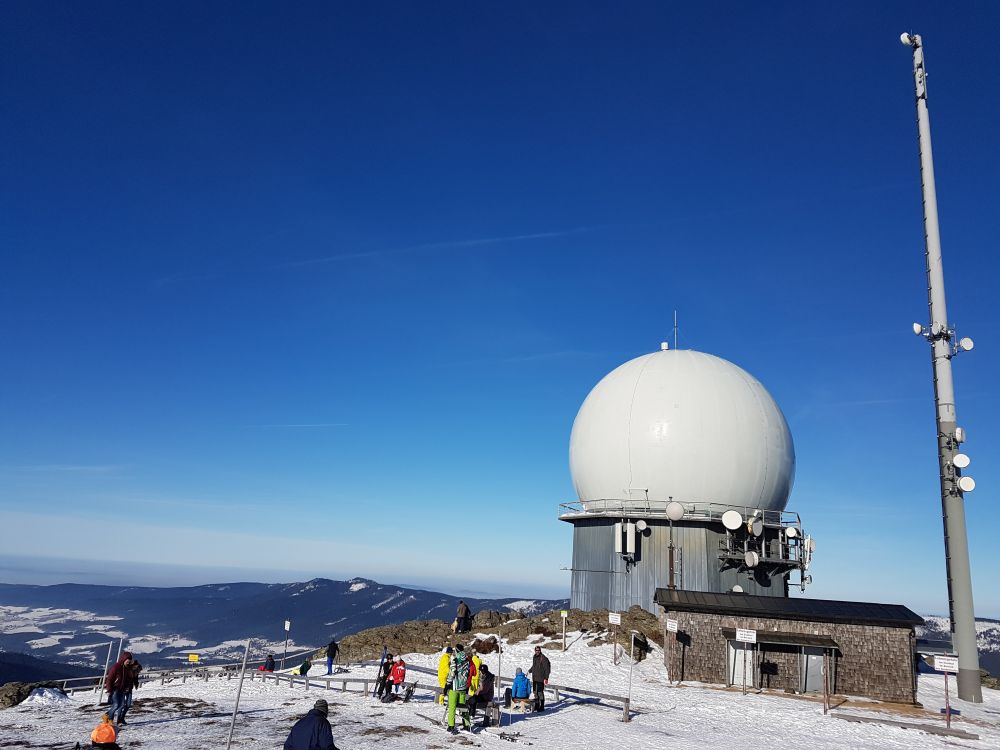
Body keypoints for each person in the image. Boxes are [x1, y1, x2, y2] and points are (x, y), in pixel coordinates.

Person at [446, 646, 472, 733]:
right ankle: (467, 724)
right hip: (463, 687)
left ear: (457, 651)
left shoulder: (455, 660)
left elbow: (452, 673)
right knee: (463, 707)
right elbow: (468, 673)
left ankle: (451, 725)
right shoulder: (467, 661)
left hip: (455, 686)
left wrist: (448, 684)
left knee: (452, 706)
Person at [104, 651, 133, 727]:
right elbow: (109, 679)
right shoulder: (116, 667)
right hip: (114, 689)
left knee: (121, 705)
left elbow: (127, 679)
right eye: (127, 661)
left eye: (129, 661)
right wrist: (109, 689)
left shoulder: (127, 668)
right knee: (116, 705)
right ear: (124, 659)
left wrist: (127, 687)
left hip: (122, 689)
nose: (128, 663)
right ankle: (108, 717)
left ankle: (108, 717)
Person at [118, 659, 141, 726]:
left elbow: (135, 678)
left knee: (128, 705)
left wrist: (136, 684)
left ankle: (122, 718)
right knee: (121, 705)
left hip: (130, 689)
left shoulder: (135, 672)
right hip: (123, 689)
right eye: (137, 671)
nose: (138, 673)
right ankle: (118, 720)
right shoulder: (127, 670)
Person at [528, 646, 551, 712]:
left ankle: (542, 706)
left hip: (540, 679)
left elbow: (547, 669)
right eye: (536, 650)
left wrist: (546, 678)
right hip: (534, 678)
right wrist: (530, 670)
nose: (537, 651)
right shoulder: (534, 657)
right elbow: (534, 666)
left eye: (538, 650)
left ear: (540, 650)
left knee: (540, 693)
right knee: (535, 693)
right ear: (534, 650)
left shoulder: (543, 658)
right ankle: (537, 705)